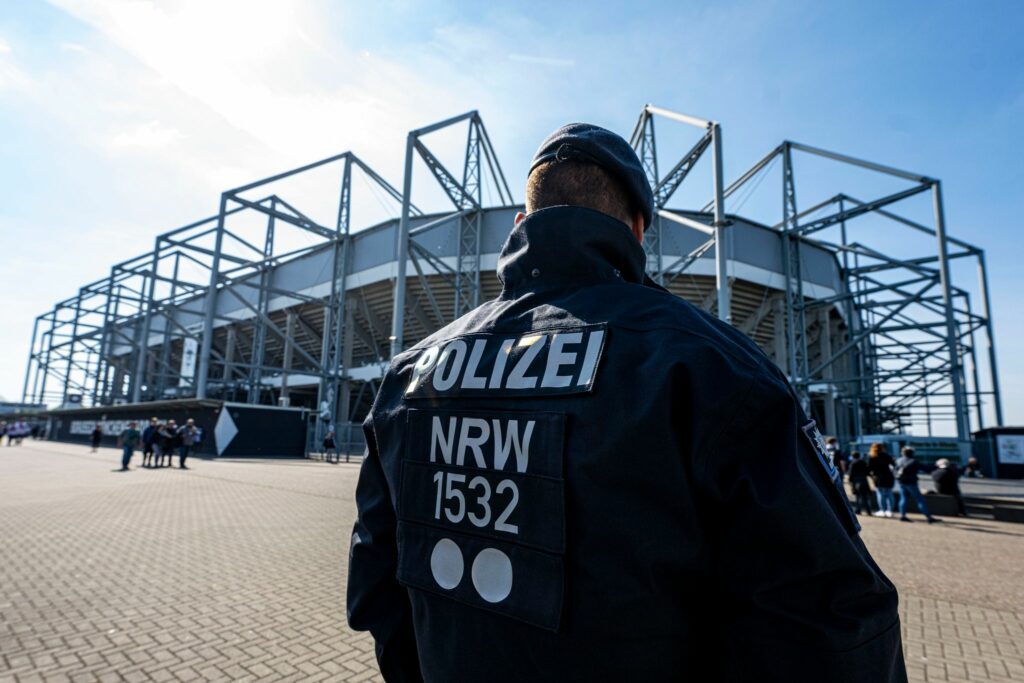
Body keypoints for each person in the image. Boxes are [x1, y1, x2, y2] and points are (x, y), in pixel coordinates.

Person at [347, 123, 905, 681]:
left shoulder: (408, 376)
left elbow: (376, 585)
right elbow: (832, 617)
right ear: (638, 231)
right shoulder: (708, 366)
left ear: (520, 225)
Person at [895, 447, 939, 523]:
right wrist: (935, 466)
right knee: (920, 500)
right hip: (911, 483)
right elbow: (926, 469)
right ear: (912, 453)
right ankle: (928, 517)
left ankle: (903, 516)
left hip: (902, 482)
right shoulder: (914, 461)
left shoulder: (899, 460)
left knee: (903, 499)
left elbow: (895, 470)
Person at [868, 442, 897, 518]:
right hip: (889, 477)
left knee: (880, 494)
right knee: (889, 494)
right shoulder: (887, 456)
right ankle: (890, 511)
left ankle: (882, 510)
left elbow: (869, 469)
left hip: (878, 478)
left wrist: (872, 476)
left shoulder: (872, 457)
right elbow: (894, 465)